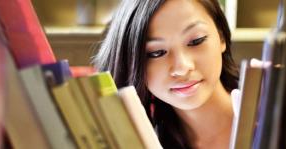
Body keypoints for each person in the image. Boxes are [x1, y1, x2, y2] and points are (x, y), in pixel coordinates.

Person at [93, 0, 239, 148]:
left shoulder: (261, 123)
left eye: (196, 41)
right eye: (156, 53)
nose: (182, 68)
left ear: (221, 37)